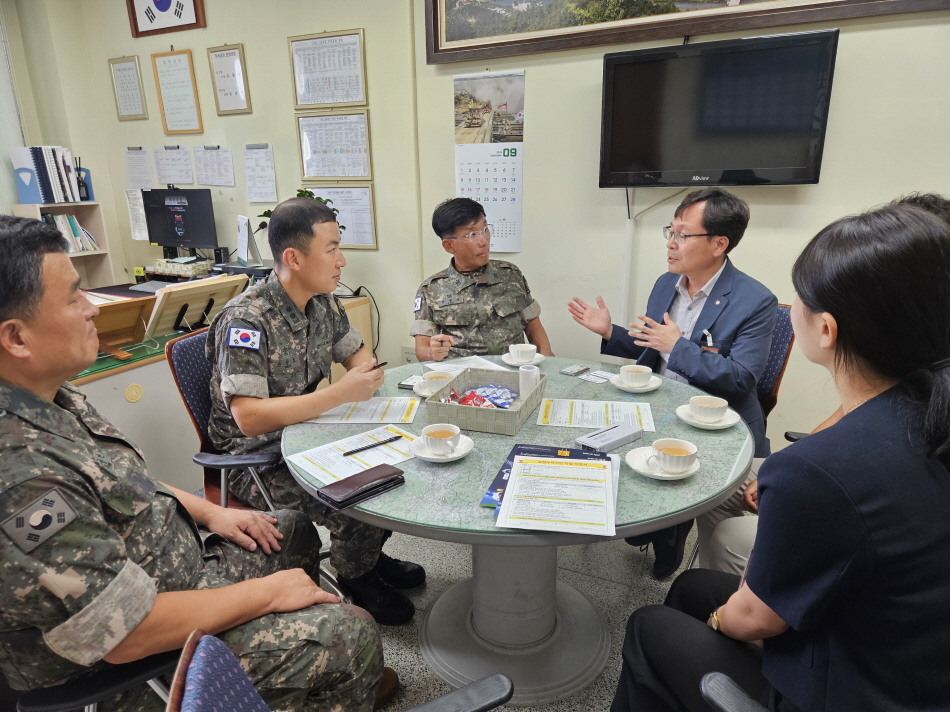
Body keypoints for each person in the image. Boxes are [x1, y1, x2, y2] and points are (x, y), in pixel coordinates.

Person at [0, 215, 394, 712]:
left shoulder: (58, 399)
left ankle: (316, 679)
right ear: (16, 338)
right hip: (128, 663)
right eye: (75, 297)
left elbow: (127, 483)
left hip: (175, 565)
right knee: (351, 632)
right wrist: (268, 596)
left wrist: (213, 514)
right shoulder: (19, 473)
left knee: (291, 531)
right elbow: (122, 634)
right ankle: (333, 660)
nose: (92, 310)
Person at [611, 203, 950, 712]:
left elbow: (756, 618)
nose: (792, 306)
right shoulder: (924, 402)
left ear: (828, 330)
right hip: (908, 651)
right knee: (691, 587)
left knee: (648, 626)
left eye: (803, 296)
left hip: (848, 685)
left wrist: (720, 622)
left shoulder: (816, 471)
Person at [705, 191, 950, 575]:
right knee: (730, 485)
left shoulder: (876, 435)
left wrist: (728, 618)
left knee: (730, 542)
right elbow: (846, 420)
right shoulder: (910, 378)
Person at [207, 198, 424, 626]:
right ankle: (355, 574)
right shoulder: (246, 320)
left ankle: (369, 556)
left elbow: (360, 359)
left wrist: (366, 376)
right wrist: (340, 394)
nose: (342, 261)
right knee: (359, 491)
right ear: (294, 258)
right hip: (258, 456)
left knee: (398, 466)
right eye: (332, 249)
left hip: (309, 431)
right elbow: (249, 418)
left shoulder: (324, 303)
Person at [569, 188, 776, 579]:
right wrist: (609, 331)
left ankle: (682, 547)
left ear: (719, 244)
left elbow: (740, 378)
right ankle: (662, 527)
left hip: (717, 426)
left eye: (683, 234)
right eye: (670, 231)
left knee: (719, 539)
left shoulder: (756, 300)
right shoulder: (668, 283)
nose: (670, 243)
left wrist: (678, 346)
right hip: (657, 406)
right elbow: (653, 347)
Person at [411, 197, 554, 361]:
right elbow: (422, 349)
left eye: (485, 229)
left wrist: (547, 357)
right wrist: (431, 353)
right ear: (449, 246)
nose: (484, 241)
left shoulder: (510, 274)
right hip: (462, 376)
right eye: (472, 234)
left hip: (513, 369)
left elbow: (532, 324)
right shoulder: (430, 290)